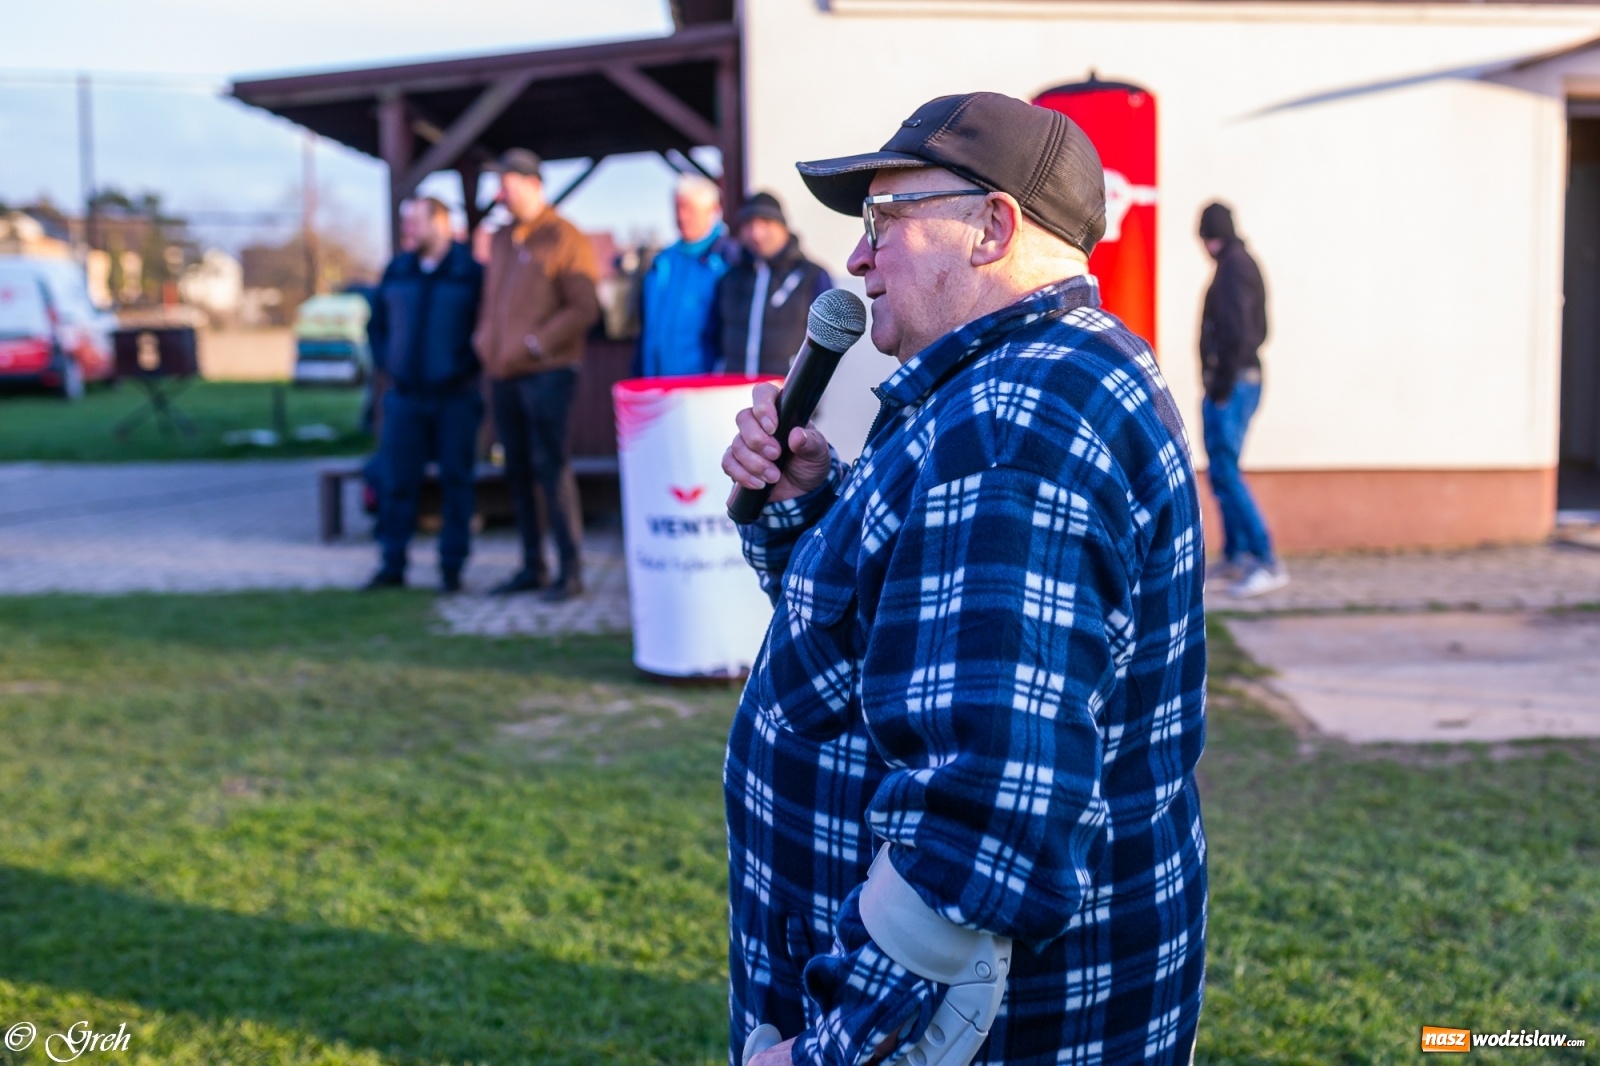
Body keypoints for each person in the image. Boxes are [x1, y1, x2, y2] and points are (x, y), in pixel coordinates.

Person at [721, 93, 1207, 1066]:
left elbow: (984, 818)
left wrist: (831, 1047)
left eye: (884, 220)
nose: (856, 260)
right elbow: (886, 639)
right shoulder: (1025, 383)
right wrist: (810, 504)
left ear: (993, 227)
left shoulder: (1008, 428)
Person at [475, 148, 601, 602]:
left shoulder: (565, 238)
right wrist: (483, 338)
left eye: (506, 185)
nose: (499, 194)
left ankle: (571, 572)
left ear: (532, 186)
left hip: (548, 374)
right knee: (517, 472)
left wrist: (536, 343)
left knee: (552, 470)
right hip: (504, 375)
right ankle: (532, 566)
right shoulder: (503, 238)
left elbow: (584, 307)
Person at [364, 196, 484, 594]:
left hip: (456, 398)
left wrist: (462, 365)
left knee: (457, 482)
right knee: (396, 481)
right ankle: (392, 564)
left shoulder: (469, 273)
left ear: (441, 224)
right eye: (405, 225)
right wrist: (388, 362)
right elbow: (376, 325)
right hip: (404, 397)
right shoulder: (397, 271)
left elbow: (484, 330)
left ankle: (452, 569)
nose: (407, 232)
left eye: (415, 224)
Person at [1198, 201, 1286, 597]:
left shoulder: (1232, 269)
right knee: (1222, 471)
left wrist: (1219, 386)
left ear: (1211, 237)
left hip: (1232, 385)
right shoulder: (1242, 264)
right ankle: (1236, 557)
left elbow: (1236, 333)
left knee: (1227, 472)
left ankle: (1266, 560)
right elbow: (1262, 330)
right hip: (1241, 380)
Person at [714, 191, 833, 377]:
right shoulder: (729, 278)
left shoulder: (812, 276)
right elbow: (714, 334)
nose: (756, 233)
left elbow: (829, 343)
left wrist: (805, 385)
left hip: (787, 397)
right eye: (749, 224)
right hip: (733, 394)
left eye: (766, 223)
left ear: (783, 227)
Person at [635, 174, 736, 377]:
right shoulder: (662, 261)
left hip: (705, 387)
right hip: (657, 386)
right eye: (677, 207)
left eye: (690, 209)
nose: (681, 216)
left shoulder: (728, 259)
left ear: (713, 211)